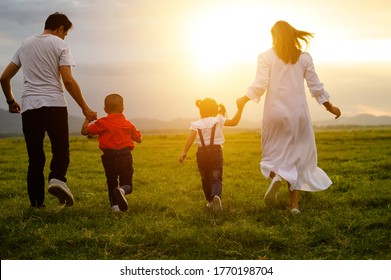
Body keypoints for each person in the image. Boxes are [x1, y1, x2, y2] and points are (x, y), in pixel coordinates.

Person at [237, 20, 341, 214]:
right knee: (297, 158)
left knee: (272, 154)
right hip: (298, 114)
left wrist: (243, 99)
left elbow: (260, 84)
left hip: (274, 114)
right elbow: (315, 87)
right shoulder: (304, 58)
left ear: (275, 37)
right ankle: (294, 207)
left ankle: (276, 175)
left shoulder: (265, 57)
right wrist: (330, 106)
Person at [0, 12, 97, 208]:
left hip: (29, 108)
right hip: (54, 104)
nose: (63, 38)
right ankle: (57, 179)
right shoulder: (60, 44)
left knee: (35, 157)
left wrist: (11, 101)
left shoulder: (25, 44)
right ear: (61, 29)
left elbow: (4, 78)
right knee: (61, 149)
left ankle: (36, 204)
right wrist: (85, 108)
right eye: (65, 34)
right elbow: (68, 80)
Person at [179, 98, 244, 213]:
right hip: (216, 152)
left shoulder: (196, 124)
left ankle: (209, 201)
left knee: (205, 178)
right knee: (216, 176)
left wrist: (184, 152)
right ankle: (216, 196)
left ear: (201, 111)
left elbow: (190, 138)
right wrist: (240, 109)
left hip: (201, 153)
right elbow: (234, 122)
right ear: (215, 109)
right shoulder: (218, 119)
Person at [81, 93, 142, 212]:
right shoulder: (128, 124)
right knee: (127, 183)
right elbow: (139, 139)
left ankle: (114, 207)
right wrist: (138, 137)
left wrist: (88, 119)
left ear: (105, 109)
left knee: (111, 181)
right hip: (125, 155)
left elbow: (84, 131)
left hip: (108, 156)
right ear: (123, 109)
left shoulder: (102, 123)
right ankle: (122, 190)